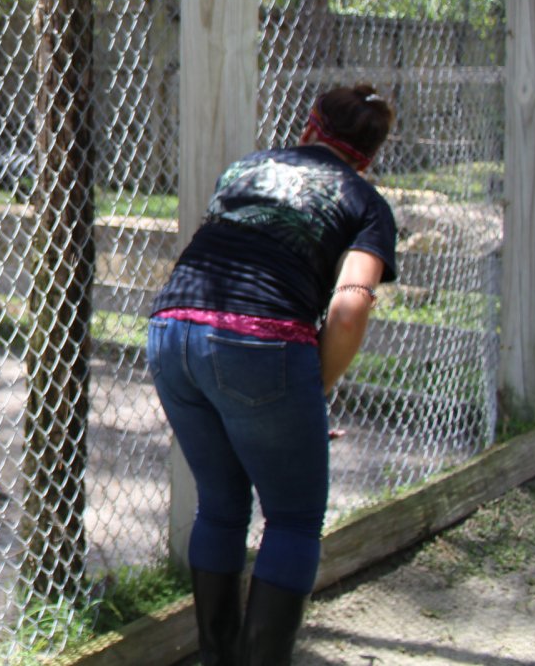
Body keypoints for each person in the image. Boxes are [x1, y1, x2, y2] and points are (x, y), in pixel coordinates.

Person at [146, 84, 398, 665]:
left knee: (221, 505)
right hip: (261, 341)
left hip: (170, 330)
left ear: (309, 126)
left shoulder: (246, 169)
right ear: (369, 154)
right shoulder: (365, 202)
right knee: (293, 518)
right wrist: (316, 387)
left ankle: (216, 657)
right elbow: (351, 304)